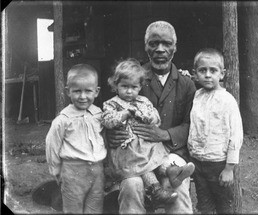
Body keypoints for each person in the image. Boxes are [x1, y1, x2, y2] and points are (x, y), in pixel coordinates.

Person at [107, 21, 196, 214]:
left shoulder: (186, 83)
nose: (160, 49)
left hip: (171, 153)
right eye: (153, 43)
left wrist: (164, 134)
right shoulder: (131, 79)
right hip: (135, 156)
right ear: (146, 46)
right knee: (132, 185)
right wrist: (110, 136)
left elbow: (191, 125)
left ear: (175, 48)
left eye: (166, 43)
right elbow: (109, 115)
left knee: (177, 186)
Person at [188, 48, 243, 214]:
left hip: (218, 164)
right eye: (202, 70)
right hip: (198, 162)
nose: (207, 75)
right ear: (195, 73)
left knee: (224, 205)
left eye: (213, 70)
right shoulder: (197, 96)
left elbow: (236, 135)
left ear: (222, 73)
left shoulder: (227, 100)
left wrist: (229, 168)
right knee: (204, 204)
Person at [45, 64, 106, 214]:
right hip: (73, 172)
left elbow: (104, 139)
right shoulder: (63, 119)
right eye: (77, 91)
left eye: (88, 91)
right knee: (73, 208)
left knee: (95, 207)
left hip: (97, 171)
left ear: (96, 91)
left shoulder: (99, 115)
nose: (83, 96)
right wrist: (56, 171)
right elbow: (52, 145)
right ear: (68, 91)